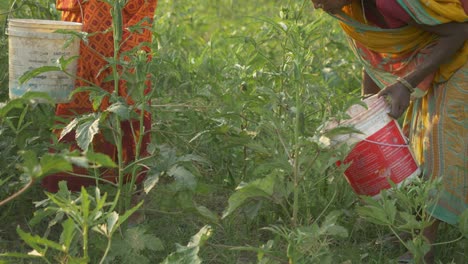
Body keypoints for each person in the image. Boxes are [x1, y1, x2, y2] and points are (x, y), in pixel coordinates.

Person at [311, 0, 467, 263]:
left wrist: (407, 83)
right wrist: (366, 105)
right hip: (438, 53)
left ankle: (422, 250)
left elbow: (460, 31)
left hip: (460, 51)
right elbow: (373, 53)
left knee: (436, 142)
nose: (316, 5)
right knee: (412, 143)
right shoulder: (354, 7)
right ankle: (412, 229)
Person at [41, 0, 157, 194]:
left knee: (128, 83)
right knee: (81, 84)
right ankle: (71, 189)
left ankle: (126, 186)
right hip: (85, 11)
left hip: (126, 11)